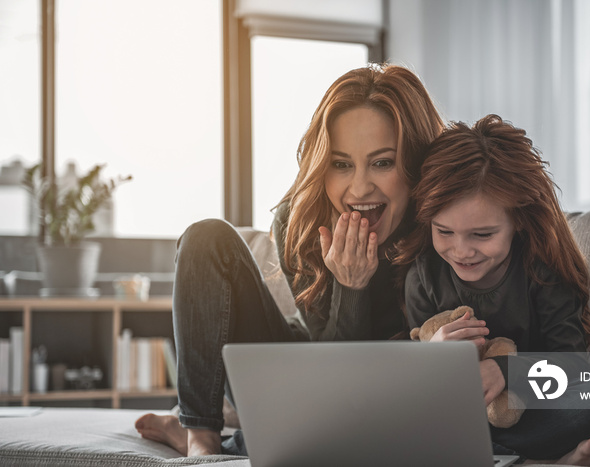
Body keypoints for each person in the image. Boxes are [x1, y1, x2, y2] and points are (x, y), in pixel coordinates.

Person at [134, 63, 445, 456]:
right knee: (205, 238)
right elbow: (329, 376)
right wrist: (350, 288)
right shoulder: (300, 221)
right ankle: (201, 436)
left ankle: (237, 441)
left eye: (383, 162)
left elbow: (351, 399)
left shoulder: (450, 230)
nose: (359, 188)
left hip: (381, 398)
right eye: (341, 163)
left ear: (416, 162)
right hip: (310, 368)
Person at [396, 115, 590, 465]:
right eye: (444, 232)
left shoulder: (541, 270)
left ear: (519, 220)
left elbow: (571, 363)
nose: (462, 251)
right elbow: (418, 388)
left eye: (482, 235)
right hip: (462, 420)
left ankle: (514, 458)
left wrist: (504, 370)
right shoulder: (423, 276)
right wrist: (435, 357)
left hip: (534, 413)